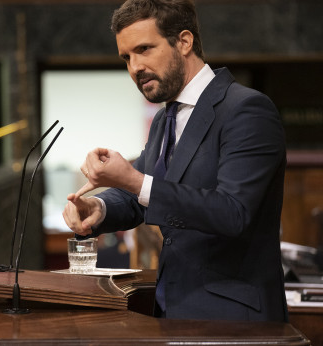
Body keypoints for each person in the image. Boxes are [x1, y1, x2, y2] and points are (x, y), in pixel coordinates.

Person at [62, 0, 288, 322]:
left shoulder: (246, 110)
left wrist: (132, 180)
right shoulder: (165, 119)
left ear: (184, 41)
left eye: (144, 49)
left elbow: (233, 212)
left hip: (235, 320)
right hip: (173, 311)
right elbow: (139, 195)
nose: (135, 67)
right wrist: (98, 209)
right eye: (127, 57)